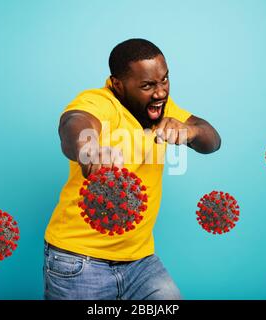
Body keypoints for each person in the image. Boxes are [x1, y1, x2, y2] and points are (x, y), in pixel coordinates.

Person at [44, 38, 221, 300]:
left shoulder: (163, 109)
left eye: (165, 80)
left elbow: (212, 140)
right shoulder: (98, 102)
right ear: (118, 85)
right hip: (79, 260)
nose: (160, 92)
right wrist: (88, 148)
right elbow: (74, 123)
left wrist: (190, 131)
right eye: (147, 85)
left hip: (140, 261)